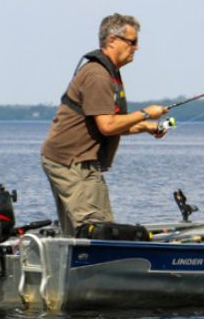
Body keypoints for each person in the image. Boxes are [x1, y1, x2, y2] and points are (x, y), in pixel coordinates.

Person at [40, 13, 169, 235]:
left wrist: (146, 127)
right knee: (95, 229)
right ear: (112, 41)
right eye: (132, 42)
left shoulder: (110, 72)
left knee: (91, 227)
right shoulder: (98, 74)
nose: (136, 48)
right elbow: (107, 126)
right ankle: (92, 267)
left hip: (80, 161)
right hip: (71, 161)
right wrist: (146, 113)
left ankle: (79, 265)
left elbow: (113, 123)